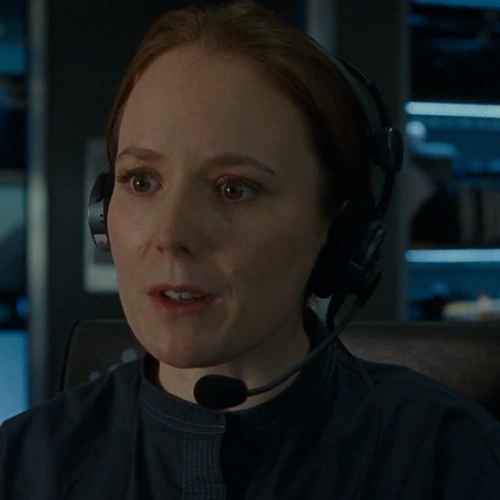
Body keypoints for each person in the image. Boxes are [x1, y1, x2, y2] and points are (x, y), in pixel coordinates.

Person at [1, 3, 500, 499]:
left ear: (338, 230)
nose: (171, 234)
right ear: (101, 211)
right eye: (141, 181)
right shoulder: (21, 464)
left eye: (233, 189)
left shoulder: (451, 457)